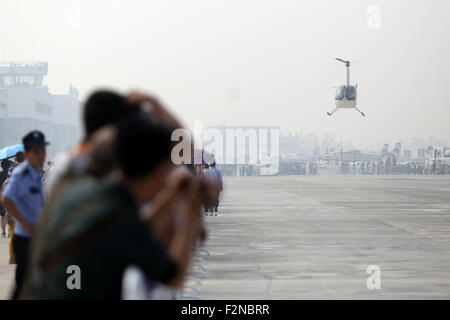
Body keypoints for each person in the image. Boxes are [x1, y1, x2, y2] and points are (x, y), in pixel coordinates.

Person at [21, 115, 204, 300]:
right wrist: (191, 207)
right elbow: (172, 276)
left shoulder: (80, 190)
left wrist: (170, 195)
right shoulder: (120, 218)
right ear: (158, 170)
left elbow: (135, 226)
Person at [1, 131, 49, 299]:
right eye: (36, 152)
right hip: (24, 238)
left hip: (37, 236)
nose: (41, 155)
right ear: (27, 154)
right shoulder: (21, 174)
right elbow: (6, 200)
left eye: (42, 151)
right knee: (23, 282)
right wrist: (24, 221)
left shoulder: (38, 174)